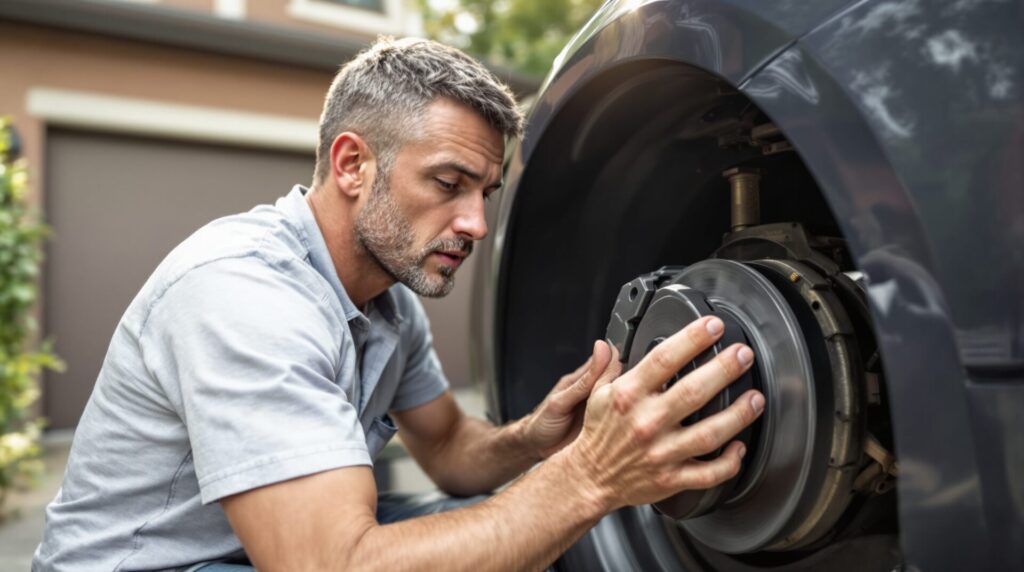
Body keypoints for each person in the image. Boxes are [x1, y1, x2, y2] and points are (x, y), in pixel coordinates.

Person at [33, 37, 764, 571]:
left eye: (485, 194)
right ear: (353, 164)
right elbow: (332, 566)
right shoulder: (243, 296)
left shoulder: (384, 301)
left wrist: (539, 442)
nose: (476, 224)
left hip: (259, 554)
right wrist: (592, 475)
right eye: (449, 184)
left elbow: (446, 451)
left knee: (522, 536)